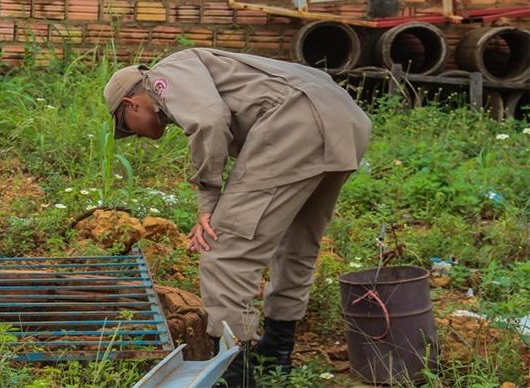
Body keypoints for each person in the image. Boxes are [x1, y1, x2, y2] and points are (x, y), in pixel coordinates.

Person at [103, 48, 371, 387]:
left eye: (129, 128)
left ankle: (235, 370)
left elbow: (209, 119)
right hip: (346, 120)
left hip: (295, 123)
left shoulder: (164, 76)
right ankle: (276, 352)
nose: (138, 136)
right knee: (297, 242)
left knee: (223, 250)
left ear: (131, 104)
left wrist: (209, 202)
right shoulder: (211, 66)